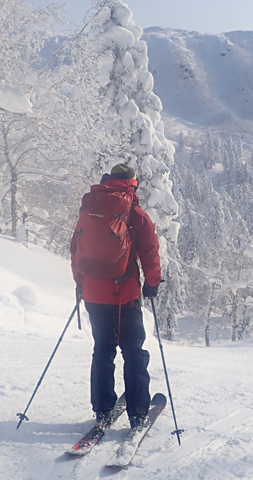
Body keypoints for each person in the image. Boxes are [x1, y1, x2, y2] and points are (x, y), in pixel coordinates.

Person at [70, 163, 162, 431]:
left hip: (93, 294)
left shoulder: (89, 209)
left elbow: (75, 248)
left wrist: (80, 284)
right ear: (132, 184)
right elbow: (150, 252)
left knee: (103, 350)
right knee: (133, 353)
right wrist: (152, 284)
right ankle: (138, 414)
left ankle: (102, 409)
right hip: (125, 295)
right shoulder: (135, 214)